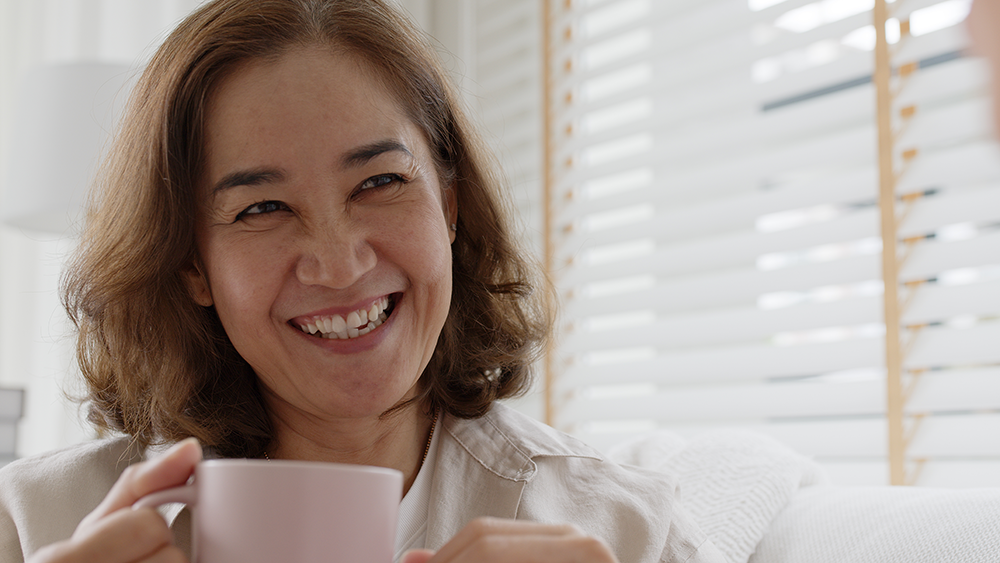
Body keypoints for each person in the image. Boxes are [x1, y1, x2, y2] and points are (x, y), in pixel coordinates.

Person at [0, 1, 723, 562]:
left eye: (380, 181)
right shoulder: (37, 520)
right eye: (262, 207)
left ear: (449, 202)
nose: (339, 264)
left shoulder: (626, 528)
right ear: (193, 265)